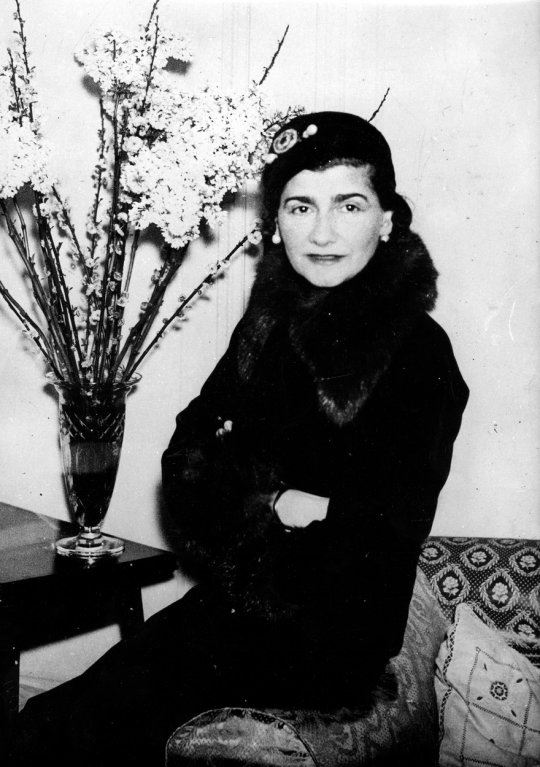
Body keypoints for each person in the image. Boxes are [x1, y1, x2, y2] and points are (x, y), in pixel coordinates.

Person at [5, 111, 469, 766]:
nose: (323, 232)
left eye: (349, 205)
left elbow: (382, 526)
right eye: (301, 206)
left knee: (78, 732)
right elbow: (186, 460)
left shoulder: (418, 351)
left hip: (331, 638)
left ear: (387, 220)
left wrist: (255, 495)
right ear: (275, 223)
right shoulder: (271, 322)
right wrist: (282, 502)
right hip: (239, 608)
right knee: (53, 721)